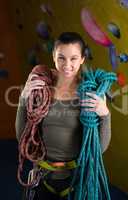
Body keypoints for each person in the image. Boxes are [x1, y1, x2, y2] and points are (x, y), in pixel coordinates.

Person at [15, 32, 111, 200]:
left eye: (73, 58)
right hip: (42, 177)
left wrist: (105, 115)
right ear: (53, 57)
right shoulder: (40, 89)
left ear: (82, 59)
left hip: (75, 180)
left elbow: (99, 148)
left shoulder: (90, 94)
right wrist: (24, 99)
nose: (67, 64)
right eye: (61, 58)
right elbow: (22, 136)